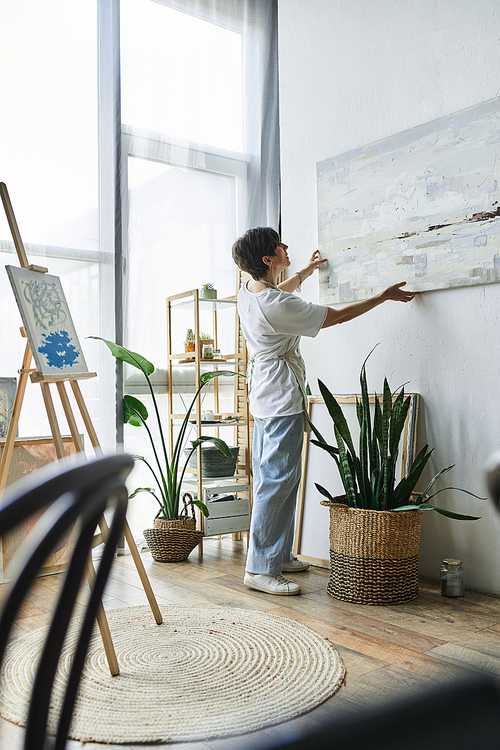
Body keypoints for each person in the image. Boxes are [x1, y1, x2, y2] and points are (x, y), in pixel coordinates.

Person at [232, 227, 417, 596]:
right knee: (276, 481)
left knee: (284, 479)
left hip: (266, 396)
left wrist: (306, 272)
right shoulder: (278, 306)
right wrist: (382, 297)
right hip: (281, 399)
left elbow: (276, 293)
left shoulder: (249, 292)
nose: (287, 247)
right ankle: (259, 569)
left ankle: (278, 554)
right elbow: (338, 317)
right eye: (279, 246)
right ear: (268, 259)